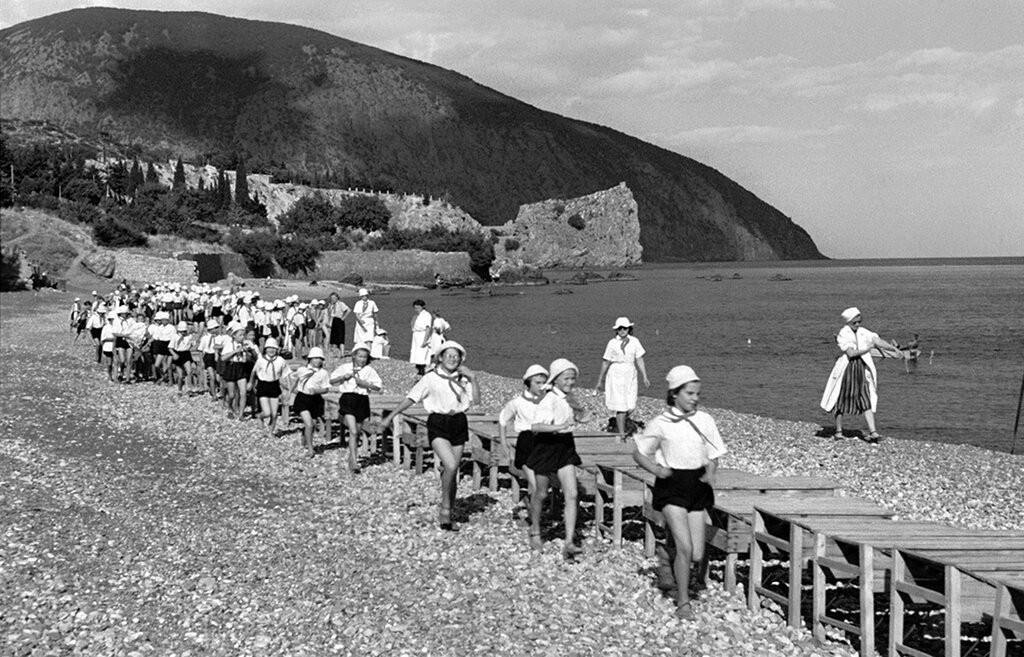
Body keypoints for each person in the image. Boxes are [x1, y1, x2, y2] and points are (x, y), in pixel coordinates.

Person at [633, 365, 727, 621]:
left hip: (697, 485)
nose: (695, 398)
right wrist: (655, 468)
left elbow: (714, 453)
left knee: (697, 553)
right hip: (672, 484)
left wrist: (711, 470)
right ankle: (683, 601)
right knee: (685, 548)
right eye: (690, 393)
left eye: (697, 393)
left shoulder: (705, 420)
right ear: (674, 394)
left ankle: (666, 553)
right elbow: (639, 452)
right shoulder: (661, 423)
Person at [374, 342, 479, 531]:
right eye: (449, 355)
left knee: (452, 472)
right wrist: (390, 417)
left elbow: (476, 401)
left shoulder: (463, 379)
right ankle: (445, 510)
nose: (453, 359)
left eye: (456, 356)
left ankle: (448, 510)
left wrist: (473, 378)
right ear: (440, 357)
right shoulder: (430, 378)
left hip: (458, 422)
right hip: (438, 422)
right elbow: (411, 398)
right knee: (452, 465)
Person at [527, 358, 591, 560]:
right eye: (566, 378)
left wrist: (582, 417)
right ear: (555, 379)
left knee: (572, 494)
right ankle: (535, 530)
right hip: (546, 447)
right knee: (542, 494)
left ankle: (569, 542)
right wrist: (559, 427)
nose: (571, 382)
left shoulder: (568, 398)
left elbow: (575, 415)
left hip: (565, 447)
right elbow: (536, 427)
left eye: (573, 378)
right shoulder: (548, 399)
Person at [820, 307, 900, 443]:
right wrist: (867, 349)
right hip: (847, 369)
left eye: (859, 322)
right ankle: (838, 431)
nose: (857, 325)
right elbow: (851, 353)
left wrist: (893, 349)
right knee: (841, 398)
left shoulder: (863, 332)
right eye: (855, 322)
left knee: (865, 397)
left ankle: (873, 432)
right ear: (849, 322)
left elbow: (876, 340)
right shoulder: (843, 333)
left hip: (861, 368)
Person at [498, 364, 548, 525]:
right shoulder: (517, 403)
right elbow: (503, 420)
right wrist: (504, 442)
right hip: (526, 444)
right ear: (528, 383)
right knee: (535, 485)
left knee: (540, 488)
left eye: (543, 383)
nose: (541, 386)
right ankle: (535, 523)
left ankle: (528, 505)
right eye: (537, 383)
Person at [329, 345, 383, 472]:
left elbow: (378, 386)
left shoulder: (369, 370)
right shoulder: (345, 367)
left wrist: (366, 384)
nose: (362, 359)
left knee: (357, 432)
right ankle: (354, 461)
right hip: (348, 398)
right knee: (353, 430)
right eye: (360, 356)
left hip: (362, 400)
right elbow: (332, 381)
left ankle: (351, 459)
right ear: (354, 356)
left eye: (365, 357)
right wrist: (344, 377)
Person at [595, 317, 651, 437]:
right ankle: (621, 434)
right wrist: (600, 380)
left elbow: (639, 359)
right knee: (621, 405)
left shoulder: (635, 341)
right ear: (616, 330)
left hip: (630, 372)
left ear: (629, 328)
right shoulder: (612, 343)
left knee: (631, 405)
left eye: (624, 328)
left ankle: (620, 424)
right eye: (620, 328)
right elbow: (606, 361)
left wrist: (645, 376)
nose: (622, 330)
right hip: (616, 373)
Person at [292, 346, 332, 457]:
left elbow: (326, 388)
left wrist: (316, 391)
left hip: (316, 400)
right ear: (309, 359)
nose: (317, 361)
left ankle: (306, 437)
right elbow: (294, 380)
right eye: (315, 358)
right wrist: (290, 392)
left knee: (313, 424)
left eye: (320, 358)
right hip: (303, 398)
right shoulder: (302, 370)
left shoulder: (323, 373)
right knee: (309, 424)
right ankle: (311, 449)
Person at [250, 338, 289, 436]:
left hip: (274, 385)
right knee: (267, 412)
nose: (271, 350)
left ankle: (270, 432)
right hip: (263, 385)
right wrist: (251, 383)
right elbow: (254, 371)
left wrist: (287, 386)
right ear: (265, 349)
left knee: (274, 413)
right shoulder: (261, 360)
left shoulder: (281, 360)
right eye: (269, 348)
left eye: (273, 348)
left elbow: (286, 373)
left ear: (277, 349)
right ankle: (260, 416)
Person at [168, 321, 195, 394]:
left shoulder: (189, 336)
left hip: (186, 354)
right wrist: (174, 354)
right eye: (181, 331)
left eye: (184, 331)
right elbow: (170, 348)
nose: (183, 333)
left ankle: (189, 388)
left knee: (189, 371)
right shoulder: (175, 337)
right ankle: (180, 390)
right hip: (178, 354)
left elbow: (192, 344)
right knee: (180, 375)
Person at [409, 299, 433, 376]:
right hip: (416, 334)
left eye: (418, 306)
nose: (416, 308)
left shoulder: (427, 315)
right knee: (415, 352)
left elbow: (428, 328)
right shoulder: (416, 316)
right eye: (415, 306)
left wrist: (425, 340)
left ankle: (422, 371)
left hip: (422, 334)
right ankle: (418, 369)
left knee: (422, 353)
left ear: (422, 306)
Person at [325, 292, 351, 357]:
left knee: (341, 337)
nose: (333, 299)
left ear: (337, 297)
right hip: (333, 320)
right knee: (334, 337)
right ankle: (335, 353)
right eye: (332, 298)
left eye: (334, 298)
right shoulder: (331, 305)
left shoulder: (341, 304)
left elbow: (348, 310)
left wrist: (343, 317)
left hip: (339, 320)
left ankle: (342, 353)